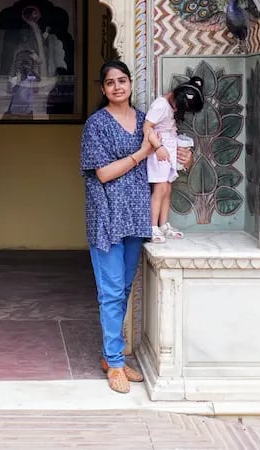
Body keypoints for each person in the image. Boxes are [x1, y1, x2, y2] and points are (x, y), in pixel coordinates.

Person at [80, 60, 154, 395]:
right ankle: (114, 361)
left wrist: (179, 155)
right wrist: (141, 153)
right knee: (110, 292)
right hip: (107, 217)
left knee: (122, 289)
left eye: (122, 81)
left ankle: (111, 357)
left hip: (136, 215)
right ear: (103, 89)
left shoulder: (144, 121)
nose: (117, 87)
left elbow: (164, 151)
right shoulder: (96, 124)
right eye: (110, 83)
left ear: (130, 84)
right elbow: (103, 173)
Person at [144, 77, 204, 243]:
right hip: (160, 151)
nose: (177, 110)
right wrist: (158, 147)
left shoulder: (170, 105)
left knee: (167, 188)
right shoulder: (160, 105)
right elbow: (147, 127)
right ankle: (152, 227)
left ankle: (164, 224)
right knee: (160, 189)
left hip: (168, 149)